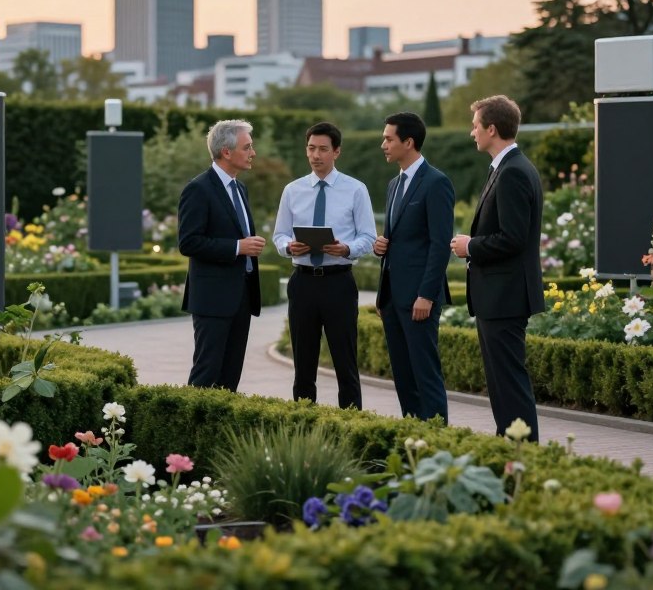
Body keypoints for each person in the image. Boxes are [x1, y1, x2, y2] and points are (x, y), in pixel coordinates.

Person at [450, 95, 543, 443]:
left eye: (475, 125)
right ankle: (510, 446)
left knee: (509, 382)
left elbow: (513, 239)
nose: (471, 132)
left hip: (505, 296)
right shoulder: (507, 168)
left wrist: (470, 246)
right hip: (499, 296)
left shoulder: (513, 172)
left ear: (491, 129)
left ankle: (523, 451)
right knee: (502, 383)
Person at [272, 121, 376, 409]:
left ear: (336, 152)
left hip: (338, 282)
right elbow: (280, 235)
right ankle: (304, 421)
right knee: (303, 364)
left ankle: (352, 422)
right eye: (311, 148)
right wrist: (289, 246)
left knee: (345, 362)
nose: (315, 155)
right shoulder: (292, 190)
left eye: (322, 149)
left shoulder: (355, 190)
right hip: (302, 282)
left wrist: (347, 249)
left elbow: (368, 236)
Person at [373, 112, 454, 423]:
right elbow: (400, 238)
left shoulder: (436, 182)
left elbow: (439, 245)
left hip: (420, 299)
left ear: (408, 142)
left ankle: (437, 439)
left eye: (388, 139)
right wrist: (382, 246)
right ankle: (413, 437)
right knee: (404, 377)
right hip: (392, 299)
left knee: (425, 375)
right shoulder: (394, 184)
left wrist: (427, 295)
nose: (383, 144)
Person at [178, 119, 265, 391]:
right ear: (226, 151)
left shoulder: (240, 188)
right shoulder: (198, 189)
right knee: (205, 375)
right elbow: (188, 242)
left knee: (230, 379)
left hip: (242, 297)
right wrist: (238, 247)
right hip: (213, 300)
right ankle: (191, 419)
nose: (253, 153)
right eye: (247, 147)